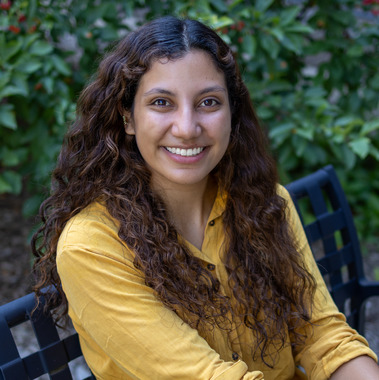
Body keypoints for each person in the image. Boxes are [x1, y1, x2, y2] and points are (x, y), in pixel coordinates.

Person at [32, 16, 379, 379]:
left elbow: (325, 338)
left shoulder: (264, 203)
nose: (187, 128)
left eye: (209, 102)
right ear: (127, 118)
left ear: (232, 113)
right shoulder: (93, 246)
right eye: (162, 102)